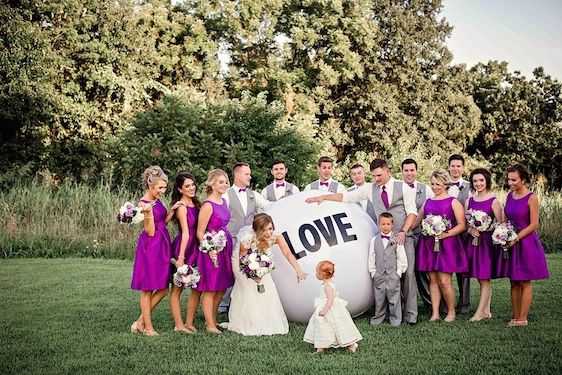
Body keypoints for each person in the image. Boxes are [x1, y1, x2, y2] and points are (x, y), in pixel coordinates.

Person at [306, 158, 418, 325]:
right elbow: (346, 197)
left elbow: (412, 212)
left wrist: (403, 232)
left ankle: (411, 315)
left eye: (379, 175)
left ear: (388, 171)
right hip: (382, 239)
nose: (376, 179)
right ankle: (388, 312)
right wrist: (323, 197)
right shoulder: (370, 188)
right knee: (385, 275)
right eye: (373, 176)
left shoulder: (404, 187)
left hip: (403, 236)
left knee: (407, 274)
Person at [222, 213, 307, 335]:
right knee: (248, 289)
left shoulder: (276, 236)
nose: (268, 233)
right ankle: (246, 322)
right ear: (257, 229)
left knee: (268, 287)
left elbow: (288, 253)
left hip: (262, 261)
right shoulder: (248, 238)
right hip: (243, 263)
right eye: (264, 229)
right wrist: (252, 275)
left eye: (270, 228)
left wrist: (298, 269)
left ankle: (267, 321)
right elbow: (242, 260)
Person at [413, 169, 468, 323]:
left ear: (445, 184)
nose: (434, 187)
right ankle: (435, 313)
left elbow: (462, 225)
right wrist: (402, 229)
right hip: (429, 244)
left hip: (447, 245)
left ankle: (451, 312)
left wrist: (446, 234)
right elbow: (417, 221)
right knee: (433, 280)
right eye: (432, 184)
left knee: (445, 281)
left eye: (438, 184)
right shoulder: (427, 202)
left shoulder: (453, 201)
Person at [219, 162, 272, 312]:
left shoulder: (253, 195)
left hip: (249, 241)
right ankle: (223, 304)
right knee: (229, 271)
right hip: (230, 239)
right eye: (247, 174)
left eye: (249, 174)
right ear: (237, 175)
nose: (250, 176)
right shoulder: (225, 194)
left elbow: (269, 205)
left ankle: (243, 303)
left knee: (247, 270)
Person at [504, 164, 549, 327]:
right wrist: (502, 233)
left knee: (524, 281)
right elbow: (506, 218)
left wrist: (515, 238)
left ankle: (523, 318)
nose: (510, 183)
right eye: (508, 179)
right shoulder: (509, 195)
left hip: (526, 242)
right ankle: (515, 316)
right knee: (513, 280)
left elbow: (534, 225)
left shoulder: (532, 198)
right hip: (510, 241)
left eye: (514, 180)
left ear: (523, 179)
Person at [130, 166, 172, 336]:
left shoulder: (156, 199)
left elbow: (163, 221)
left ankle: (140, 322)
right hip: (151, 246)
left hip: (163, 244)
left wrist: (173, 210)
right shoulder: (143, 204)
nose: (163, 191)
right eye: (160, 188)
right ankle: (148, 328)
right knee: (147, 288)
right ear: (151, 186)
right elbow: (150, 231)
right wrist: (148, 214)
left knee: (163, 288)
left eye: (164, 188)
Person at [196, 169, 235, 333]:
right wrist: (210, 248)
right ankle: (210, 325)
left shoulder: (224, 202)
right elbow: (200, 232)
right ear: (211, 183)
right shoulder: (207, 205)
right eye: (221, 182)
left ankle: (211, 320)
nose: (225, 184)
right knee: (211, 287)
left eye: (226, 182)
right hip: (211, 251)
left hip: (225, 246)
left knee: (222, 286)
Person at [465, 168, 505, 322]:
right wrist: (470, 229)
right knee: (480, 277)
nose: (478, 183)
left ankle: (480, 312)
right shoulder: (469, 200)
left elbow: (502, 224)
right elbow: (464, 222)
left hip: (487, 244)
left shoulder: (494, 201)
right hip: (473, 243)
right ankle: (486, 311)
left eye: (481, 180)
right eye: (475, 181)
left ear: (487, 181)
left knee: (484, 277)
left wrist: (486, 227)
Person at [303, 260, 362, 354]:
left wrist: (324, 311)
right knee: (322, 326)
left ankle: (352, 344)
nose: (315, 274)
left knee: (339, 325)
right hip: (327, 306)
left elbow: (330, 300)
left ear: (321, 275)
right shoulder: (327, 284)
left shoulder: (327, 286)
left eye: (316, 272)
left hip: (329, 308)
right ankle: (320, 347)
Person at [168, 172, 201, 333]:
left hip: (197, 246)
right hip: (184, 247)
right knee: (177, 288)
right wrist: (181, 257)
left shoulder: (196, 203)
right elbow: (186, 233)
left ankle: (189, 322)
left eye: (192, 184)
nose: (191, 188)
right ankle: (178, 325)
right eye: (187, 186)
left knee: (197, 286)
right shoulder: (181, 207)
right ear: (180, 189)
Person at [401, 158, 434, 308]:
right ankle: (403, 303)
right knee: (403, 269)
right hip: (403, 236)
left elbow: (432, 210)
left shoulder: (425, 189)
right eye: (406, 170)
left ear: (417, 171)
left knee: (422, 270)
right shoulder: (397, 188)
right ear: (401, 172)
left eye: (412, 170)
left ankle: (430, 302)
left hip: (422, 235)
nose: (409, 173)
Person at [368, 212, 408, 327]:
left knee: (394, 298)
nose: (385, 226)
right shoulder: (374, 240)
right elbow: (372, 256)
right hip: (379, 274)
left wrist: (399, 273)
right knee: (379, 297)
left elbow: (401, 256)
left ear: (392, 225)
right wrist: (373, 272)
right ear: (379, 224)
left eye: (387, 224)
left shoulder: (396, 239)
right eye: (383, 224)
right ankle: (378, 317)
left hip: (393, 274)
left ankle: (395, 319)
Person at [447, 154, 472, 314]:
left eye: (458, 166)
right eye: (453, 166)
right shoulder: (441, 184)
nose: (455, 169)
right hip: (445, 232)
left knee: (464, 269)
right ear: (448, 167)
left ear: (463, 168)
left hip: (464, 232)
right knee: (444, 267)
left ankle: (464, 304)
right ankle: (444, 303)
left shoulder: (471, 186)